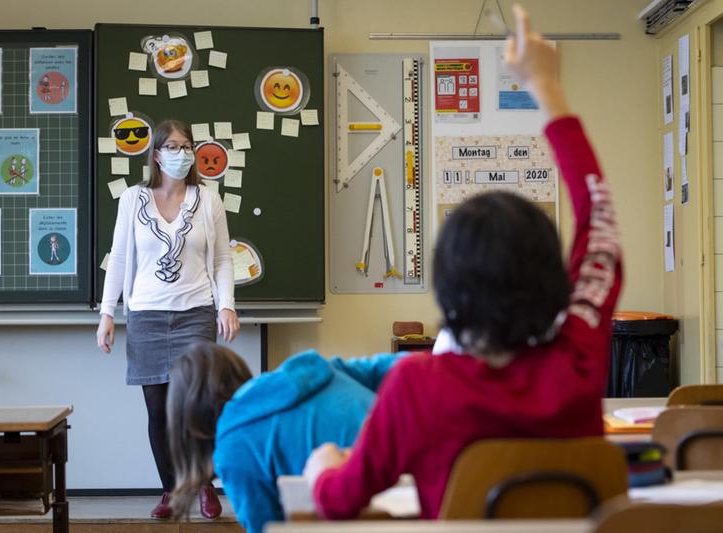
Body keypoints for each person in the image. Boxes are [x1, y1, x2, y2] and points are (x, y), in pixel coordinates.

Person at [304, 4, 622, 520]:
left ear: (447, 287)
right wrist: (547, 87)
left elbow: (340, 503)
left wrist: (323, 468)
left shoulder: (417, 386)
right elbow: (599, 215)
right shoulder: (578, 362)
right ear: (552, 283)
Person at [95, 119, 240, 520]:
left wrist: (226, 304)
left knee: (196, 404)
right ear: (156, 154)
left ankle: (205, 482)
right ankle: (172, 490)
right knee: (158, 410)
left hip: (196, 311)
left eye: (187, 146)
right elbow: (120, 257)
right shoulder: (132, 200)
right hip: (146, 315)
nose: (182, 153)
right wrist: (107, 313)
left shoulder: (208, 200)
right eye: (173, 146)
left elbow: (224, 258)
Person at [166, 341, 402, 533]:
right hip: (417, 479)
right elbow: (387, 366)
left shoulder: (232, 449)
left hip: (368, 508)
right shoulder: (314, 372)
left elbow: (266, 527)